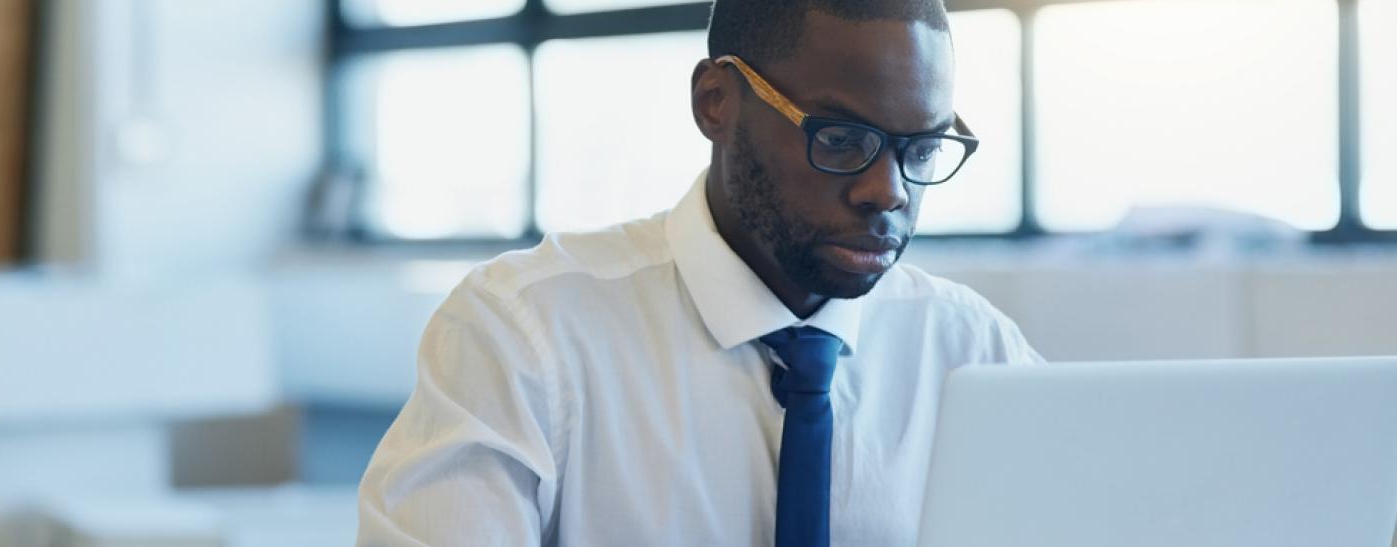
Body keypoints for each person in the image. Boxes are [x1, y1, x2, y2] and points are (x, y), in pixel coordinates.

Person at [356, 1, 1043, 545]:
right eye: (841, 139)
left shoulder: (976, 354)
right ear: (716, 101)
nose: (888, 192)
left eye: (920, 149)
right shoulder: (522, 335)